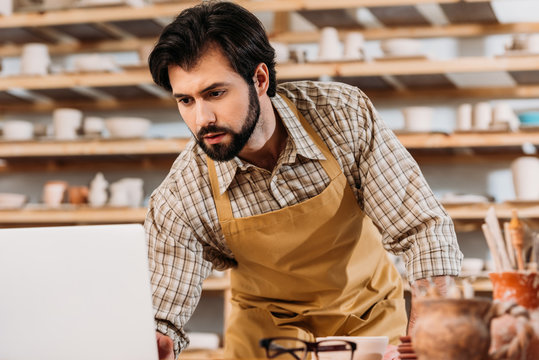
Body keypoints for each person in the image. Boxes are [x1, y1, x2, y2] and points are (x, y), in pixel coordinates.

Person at [146, 1, 463, 359]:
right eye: (185, 100)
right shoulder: (183, 193)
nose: (202, 118)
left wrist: (431, 327)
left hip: (368, 327)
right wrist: (159, 339)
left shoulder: (341, 117)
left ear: (260, 79)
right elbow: (163, 314)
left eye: (215, 93)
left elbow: (422, 230)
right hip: (266, 344)